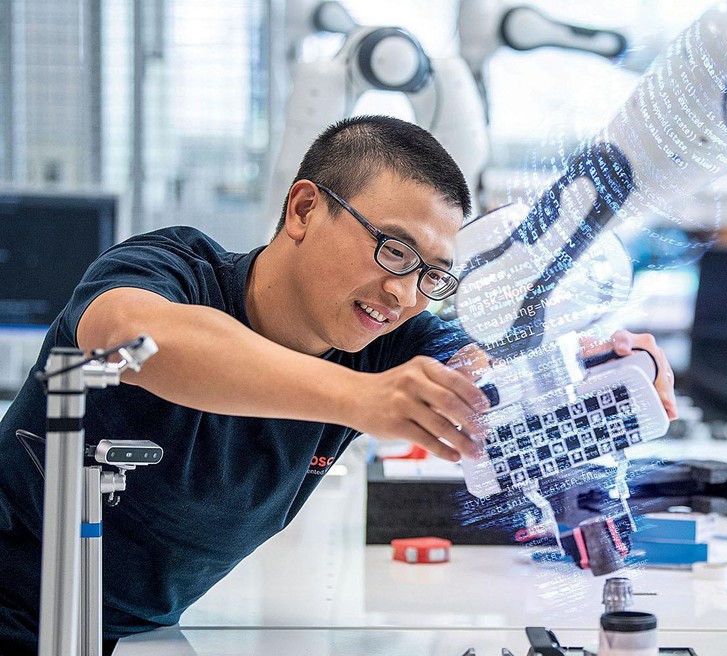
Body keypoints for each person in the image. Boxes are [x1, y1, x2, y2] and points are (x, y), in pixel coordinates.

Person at [0, 115, 677, 654]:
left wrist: (580, 371)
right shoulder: (172, 269)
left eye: (431, 274)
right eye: (393, 249)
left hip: (131, 631)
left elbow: (483, 379)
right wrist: (361, 399)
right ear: (302, 209)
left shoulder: (390, 343)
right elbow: (130, 338)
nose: (404, 292)